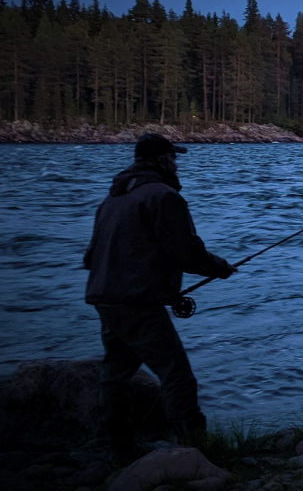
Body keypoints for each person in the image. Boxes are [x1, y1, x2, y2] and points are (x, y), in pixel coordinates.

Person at [84, 133, 236, 461]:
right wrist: (220, 268)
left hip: (105, 298)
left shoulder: (113, 198)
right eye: (174, 157)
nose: (177, 164)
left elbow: (91, 256)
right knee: (176, 374)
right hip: (137, 302)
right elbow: (186, 251)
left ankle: (118, 448)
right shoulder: (164, 197)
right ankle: (195, 451)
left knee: (116, 374)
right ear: (163, 160)